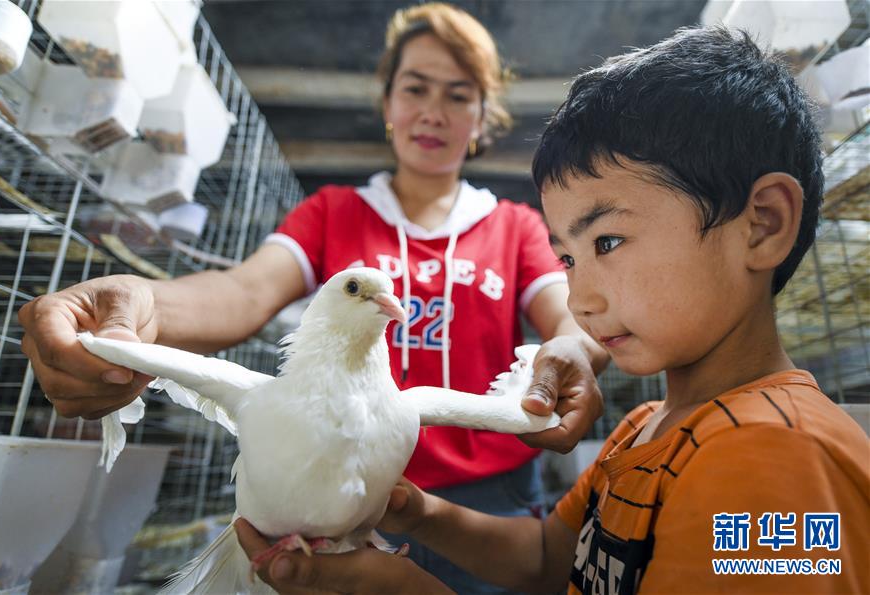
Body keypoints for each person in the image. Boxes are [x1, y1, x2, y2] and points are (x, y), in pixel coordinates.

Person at [238, 25, 870, 595]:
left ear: (761, 224)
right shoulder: (646, 427)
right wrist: (415, 512)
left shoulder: (765, 463)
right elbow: (548, 559)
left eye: (609, 242)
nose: (579, 299)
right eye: (568, 259)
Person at [18, 3, 607, 593]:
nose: (433, 111)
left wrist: (576, 350)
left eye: (458, 95)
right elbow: (242, 291)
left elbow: (568, 314)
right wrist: (141, 303)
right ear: (387, 105)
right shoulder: (334, 212)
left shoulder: (513, 226)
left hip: (492, 503)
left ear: (483, 116)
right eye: (415, 88)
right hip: (334, 496)